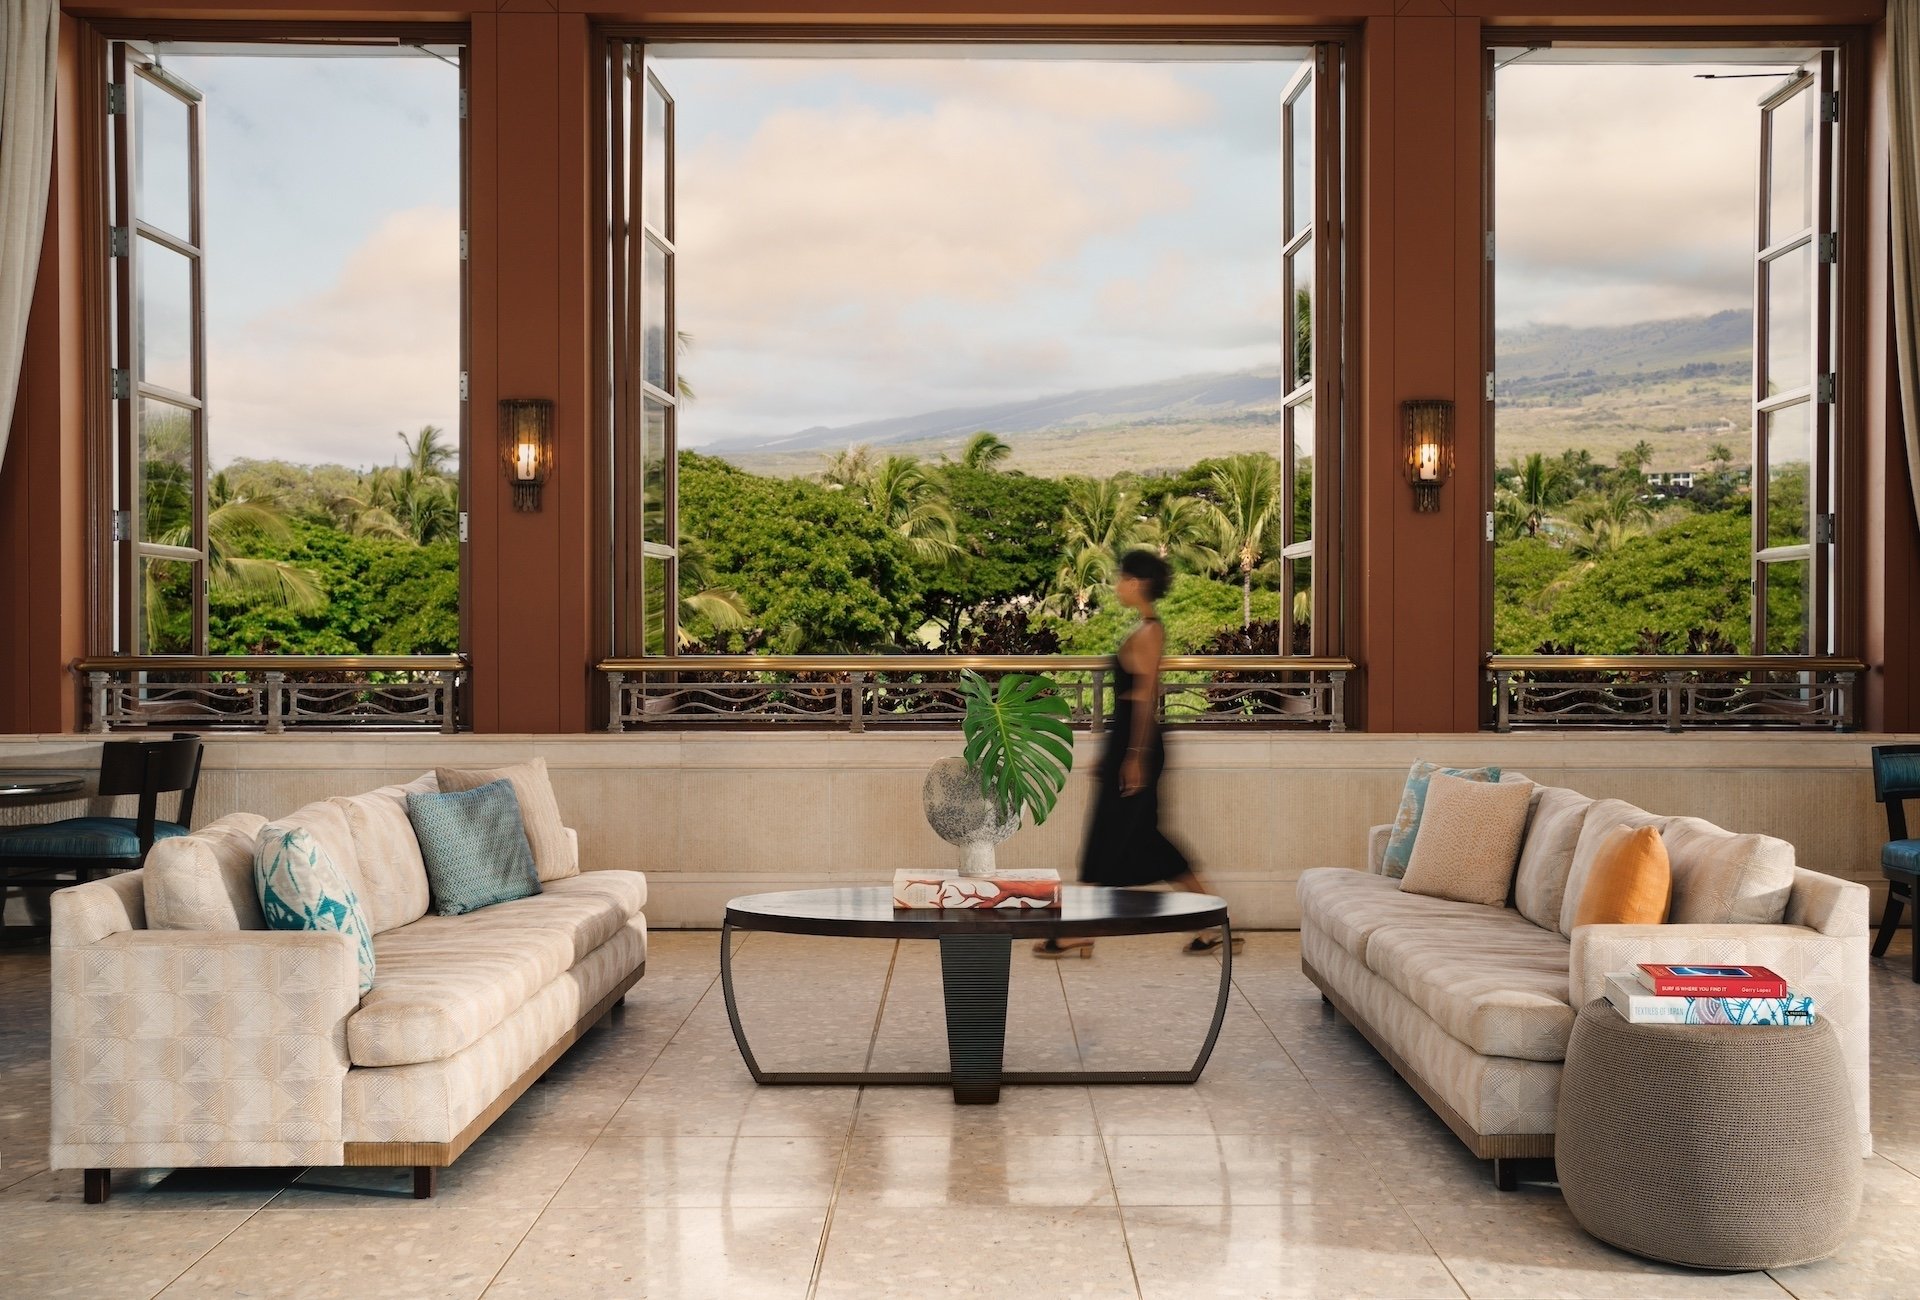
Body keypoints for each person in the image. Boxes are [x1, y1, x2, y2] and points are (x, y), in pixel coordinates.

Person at [1034, 549, 1239, 958]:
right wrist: (1115, 751)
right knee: (1141, 841)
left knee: (1109, 840)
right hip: (1127, 740)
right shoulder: (1143, 627)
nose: (1116, 585)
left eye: (1121, 578)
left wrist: (1134, 756)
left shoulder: (1149, 631)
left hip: (1137, 744)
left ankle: (1083, 930)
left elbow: (1146, 697)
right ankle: (1211, 922)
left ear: (1138, 583)